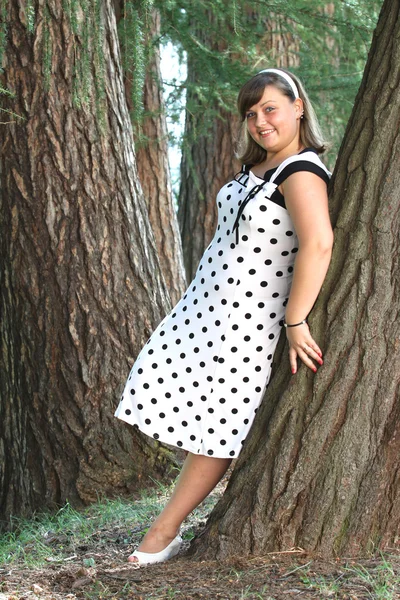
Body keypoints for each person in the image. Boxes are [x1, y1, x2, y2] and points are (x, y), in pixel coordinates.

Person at [114, 67, 334, 566]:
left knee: (219, 429)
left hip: (250, 323)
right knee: (183, 403)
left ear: (298, 106)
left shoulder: (300, 171)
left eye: (270, 109)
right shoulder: (259, 168)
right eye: (251, 114)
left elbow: (319, 244)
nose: (260, 121)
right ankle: (163, 529)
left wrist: (295, 321)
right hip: (209, 310)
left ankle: (162, 534)